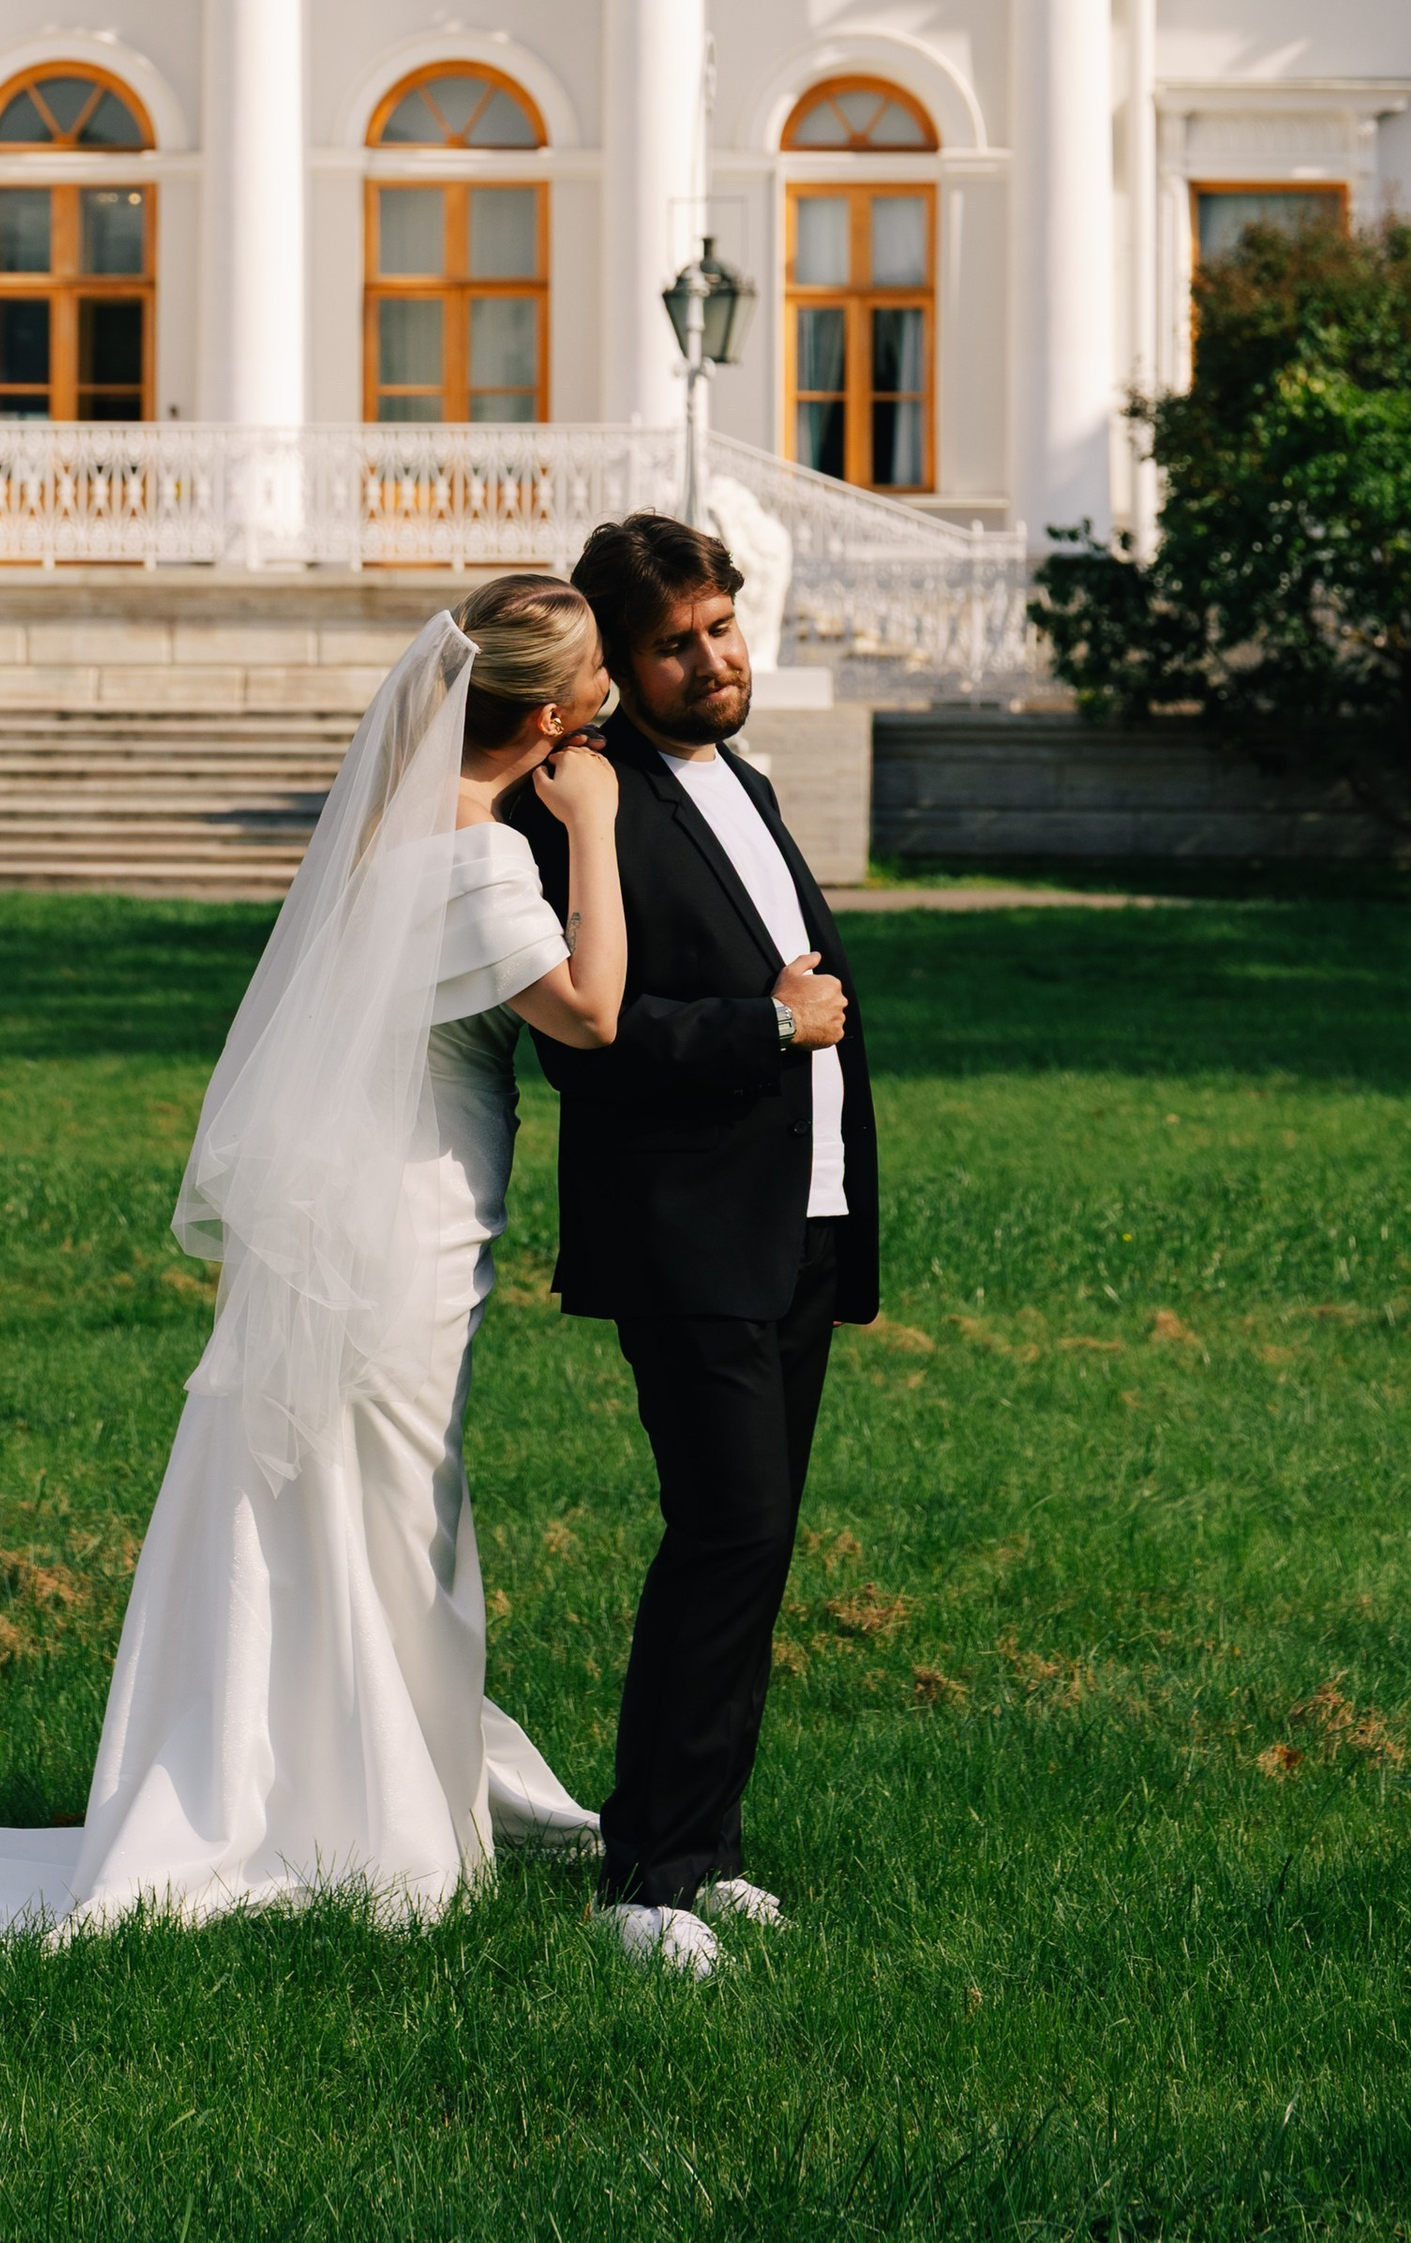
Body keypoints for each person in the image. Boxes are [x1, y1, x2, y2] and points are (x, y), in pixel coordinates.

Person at [0, 574, 628, 1942]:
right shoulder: (477, 851)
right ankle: (372, 1814)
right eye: (597, 692)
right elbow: (586, 1012)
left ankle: (353, 1774)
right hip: (410, 1209)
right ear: (548, 719)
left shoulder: (399, 838)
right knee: (398, 1504)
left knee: (373, 1495)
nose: (609, 713)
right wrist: (595, 831)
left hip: (385, 1194)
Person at [510, 510, 878, 1979]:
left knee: (761, 1543)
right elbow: (589, 1048)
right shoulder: (581, 807)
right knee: (725, 1533)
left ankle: (705, 1848)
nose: (714, 659)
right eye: (676, 644)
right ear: (620, 661)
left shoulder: (751, 779)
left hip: (800, 1218)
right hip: (686, 1234)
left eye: (720, 627)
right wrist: (765, 1025)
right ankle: (643, 1879)